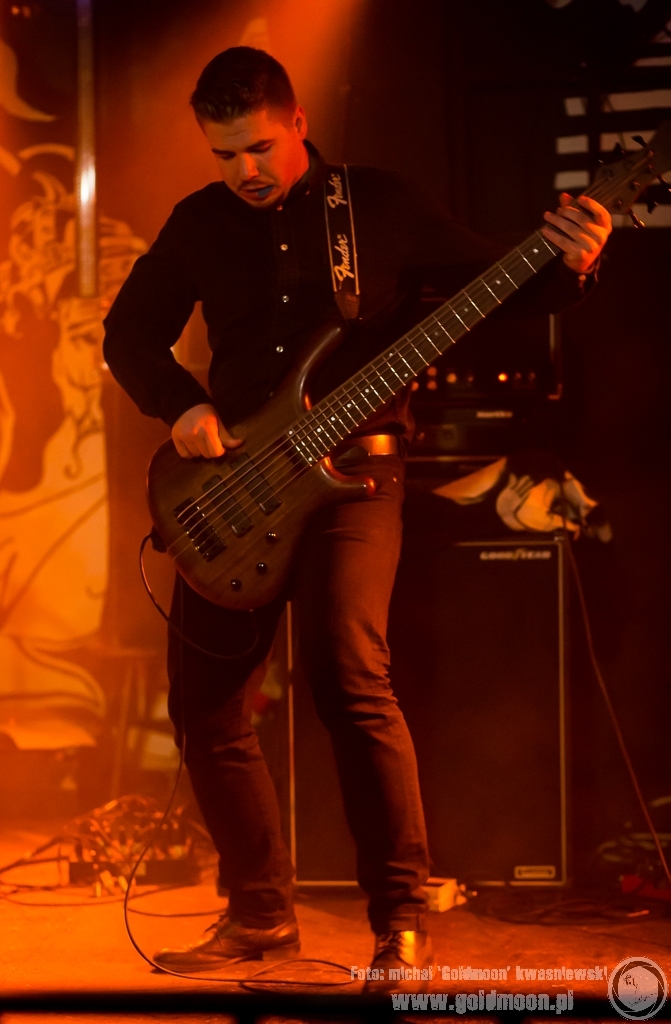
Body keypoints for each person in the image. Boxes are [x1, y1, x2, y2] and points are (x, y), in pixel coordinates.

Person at [103, 47, 611, 990]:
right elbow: (127, 333)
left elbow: (496, 286)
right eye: (224, 154)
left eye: (258, 147)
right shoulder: (200, 222)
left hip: (357, 474)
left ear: (297, 123)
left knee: (349, 678)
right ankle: (259, 914)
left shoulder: (375, 204)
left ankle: (400, 922)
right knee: (206, 711)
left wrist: (569, 264)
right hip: (236, 485)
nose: (244, 171)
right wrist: (181, 405)